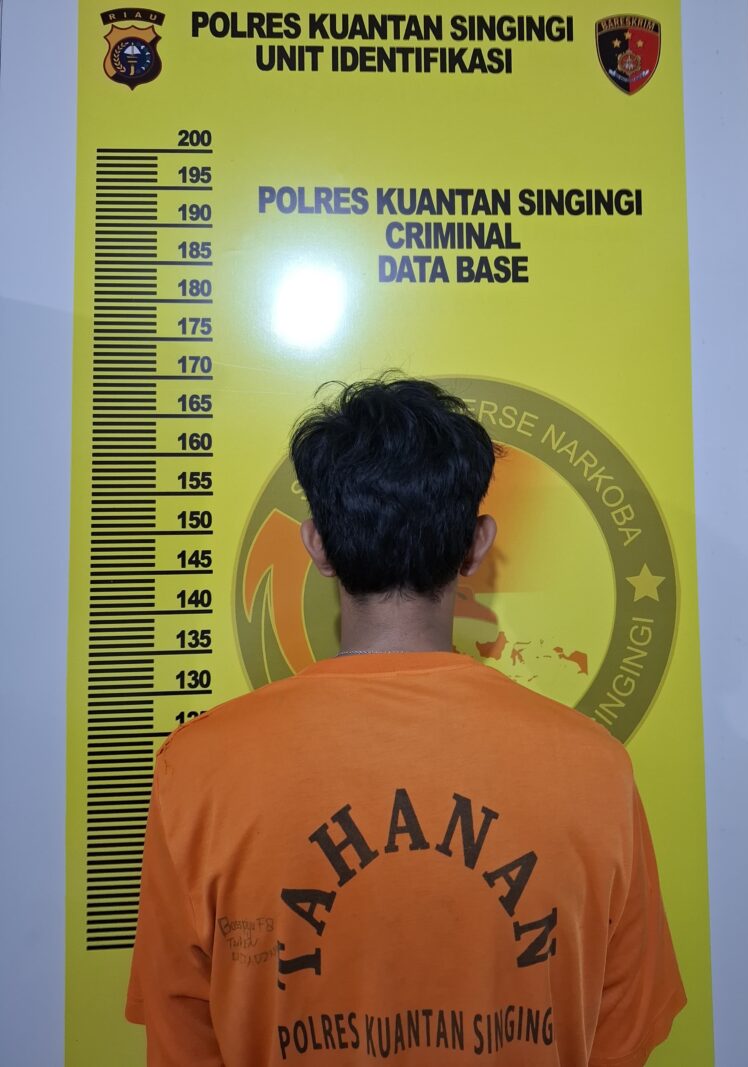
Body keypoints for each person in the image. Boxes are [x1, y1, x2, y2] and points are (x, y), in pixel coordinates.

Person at [126, 376, 686, 1065]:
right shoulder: (595, 766)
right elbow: (622, 1035)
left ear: (317, 545)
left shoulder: (198, 765)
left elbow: (182, 1036)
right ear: (477, 544)